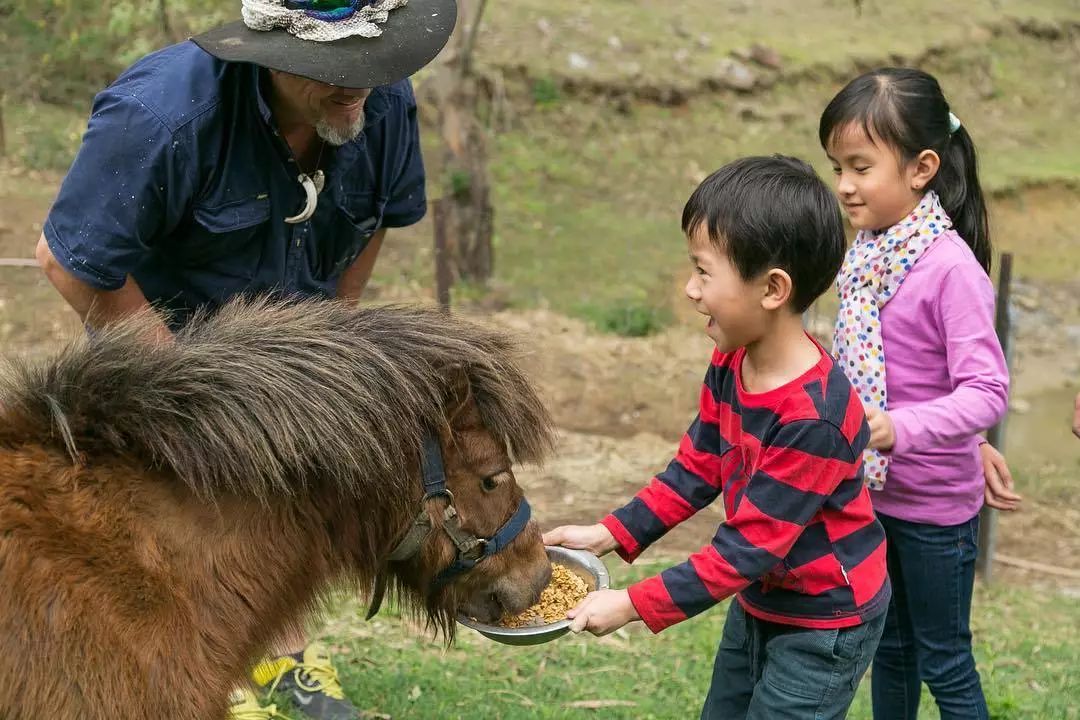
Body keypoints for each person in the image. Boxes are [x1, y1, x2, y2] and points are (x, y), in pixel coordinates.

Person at [34, 0, 457, 717]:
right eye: (332, 70)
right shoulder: (162, 115)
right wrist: (190, 393)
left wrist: (335, 341)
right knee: (189, 530)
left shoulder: (380, 97)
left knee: (292, 506)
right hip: (175, 349)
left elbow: (378, 216)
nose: (359, 84)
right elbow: (69, 260)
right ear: (269, 52)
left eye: (372, 63)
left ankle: (284, 659)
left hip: (296, 328)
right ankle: (204, 675)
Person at [545, 155, 890, 720]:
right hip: (764, 598)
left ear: (773, 289)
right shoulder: (731, 361)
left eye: (704, 272)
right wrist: (610, 532)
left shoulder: (813, 419)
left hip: (826, 619)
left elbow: (745, 550)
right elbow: (697, 467)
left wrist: (634, 603)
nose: (689, 288)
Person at [820, 67, 1010, 720]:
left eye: (860, 166)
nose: (844, 185)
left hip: (933, 510)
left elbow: (986, 389)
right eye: (837, 166)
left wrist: (897, 428)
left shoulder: (949, 270)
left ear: (922, 167)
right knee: (889, 648)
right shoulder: (868, 252)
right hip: (868, 495)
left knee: (944, 658)